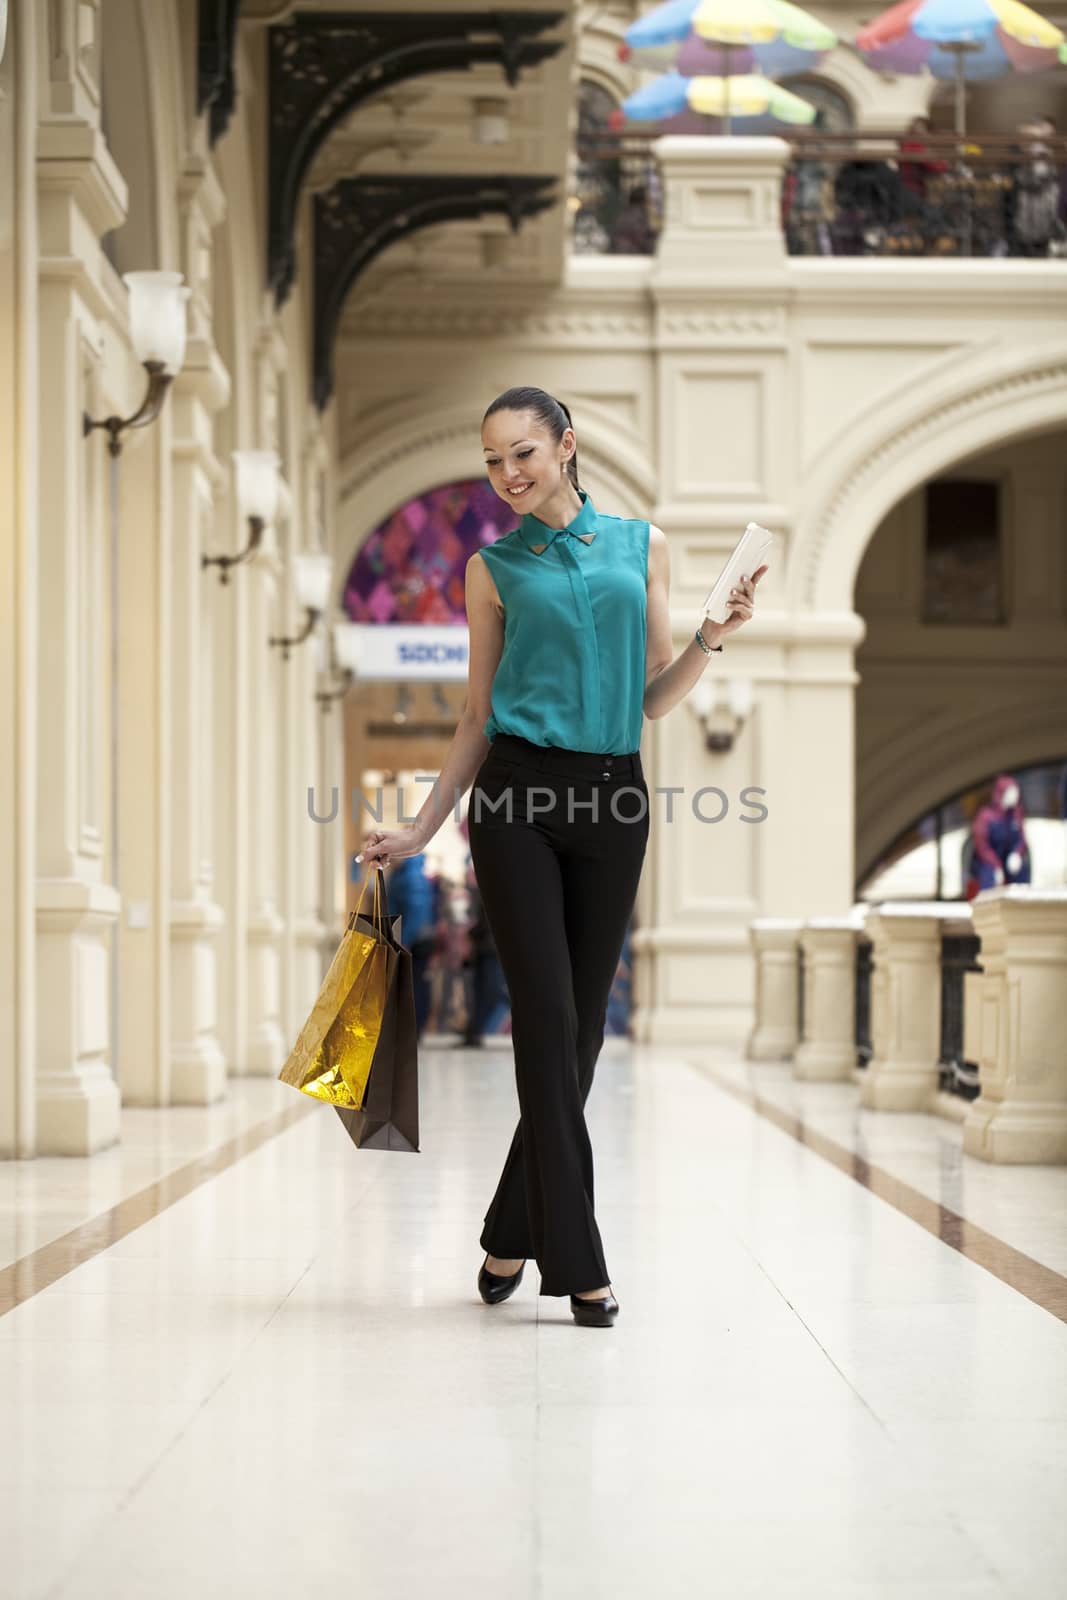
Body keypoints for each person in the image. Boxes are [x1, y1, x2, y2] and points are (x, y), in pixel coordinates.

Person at [358, 386, 764, 1327]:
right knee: (542, 1018)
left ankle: (508, 1225)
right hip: (516, 799)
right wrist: (420, 829)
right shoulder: (489, 569)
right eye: (494, 459)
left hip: (615, 798)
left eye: (523, 454)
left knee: (578, 1034)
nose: (507, 475)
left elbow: (653, 697)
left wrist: (712, 634)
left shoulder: (642, 546)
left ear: (566, 446)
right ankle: (578, 1262)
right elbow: (473, 715)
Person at [384, 853, 436, 1038]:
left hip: (415, 941)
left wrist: (405, 939)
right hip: (411, 938)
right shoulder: (403, 874)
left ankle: (415, 1028)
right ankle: (411, 1027)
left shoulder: (411, 876)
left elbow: (416, 912)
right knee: (412, 983)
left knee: (414, 984)